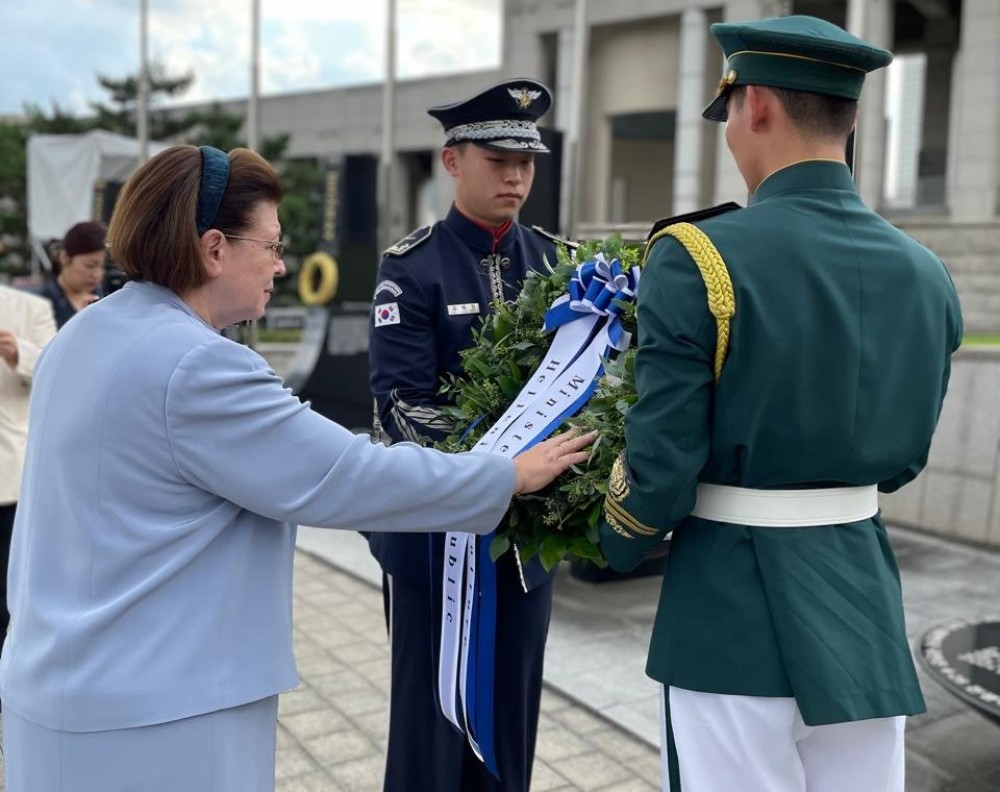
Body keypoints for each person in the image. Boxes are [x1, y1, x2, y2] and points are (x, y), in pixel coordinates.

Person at [0, 144, 595, 792]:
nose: (282, 266)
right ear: (213, 248)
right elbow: (346, 475)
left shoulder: (84, 336)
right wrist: (507, 474)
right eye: (272, 245)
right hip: (159, 715)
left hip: (60, 697)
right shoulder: (196, 367)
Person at [597, 15, 963, 792]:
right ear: (854, 116)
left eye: (729, 106)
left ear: (753, 104)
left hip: (730, 609)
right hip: (863, 608)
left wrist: (609, 538)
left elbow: (659, 462)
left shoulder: (698, 256)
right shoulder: (925, 272)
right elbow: (903, 462)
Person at [368, 78, 562, 792]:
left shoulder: (556, 262)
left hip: (526, 545)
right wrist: (513, 465)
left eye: (527, 161)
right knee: (430, 731)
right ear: (451, 162)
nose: (516, 177)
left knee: (512, 727)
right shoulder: (410, 267)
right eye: (497, 160)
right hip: (431, 545)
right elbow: (401, 407)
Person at [0, 285, 57, 644]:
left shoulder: (29, 307)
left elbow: (57, 367)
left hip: (9, 476)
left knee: (8, 593)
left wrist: (18, 352)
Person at [37, 220, 108, 328]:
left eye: (103, 267)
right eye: (90, 265)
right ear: (65, 258)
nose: (97, 274)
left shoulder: (105, 300)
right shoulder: (39, 303)